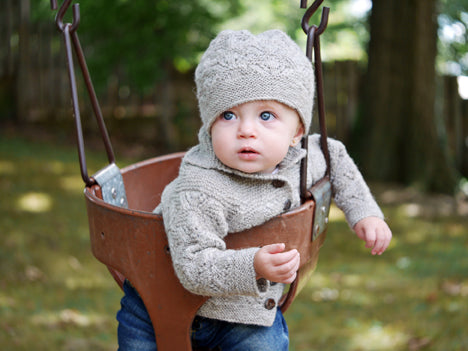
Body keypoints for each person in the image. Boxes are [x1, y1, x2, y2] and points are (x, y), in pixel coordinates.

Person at [116, 29, 392, 351]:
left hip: (247, 316)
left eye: (266, 115)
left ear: (297, 131)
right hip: (158, 308)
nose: (247, 130)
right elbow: (193, 267)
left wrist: (366, 214)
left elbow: (336, 158)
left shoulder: (299, 161)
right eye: (228, 115)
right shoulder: (198, 187)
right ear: (209, 124)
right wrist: (254, 266)